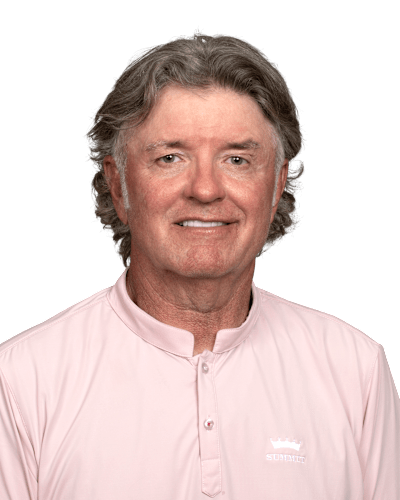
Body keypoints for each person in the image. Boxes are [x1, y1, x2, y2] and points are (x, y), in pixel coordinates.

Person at [0, 29, 399, 500]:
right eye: (170, 158)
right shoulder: (22, 381)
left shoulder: (355, 371)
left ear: (276, 186)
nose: (206, 189)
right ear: (118, 184)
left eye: (237, 159)